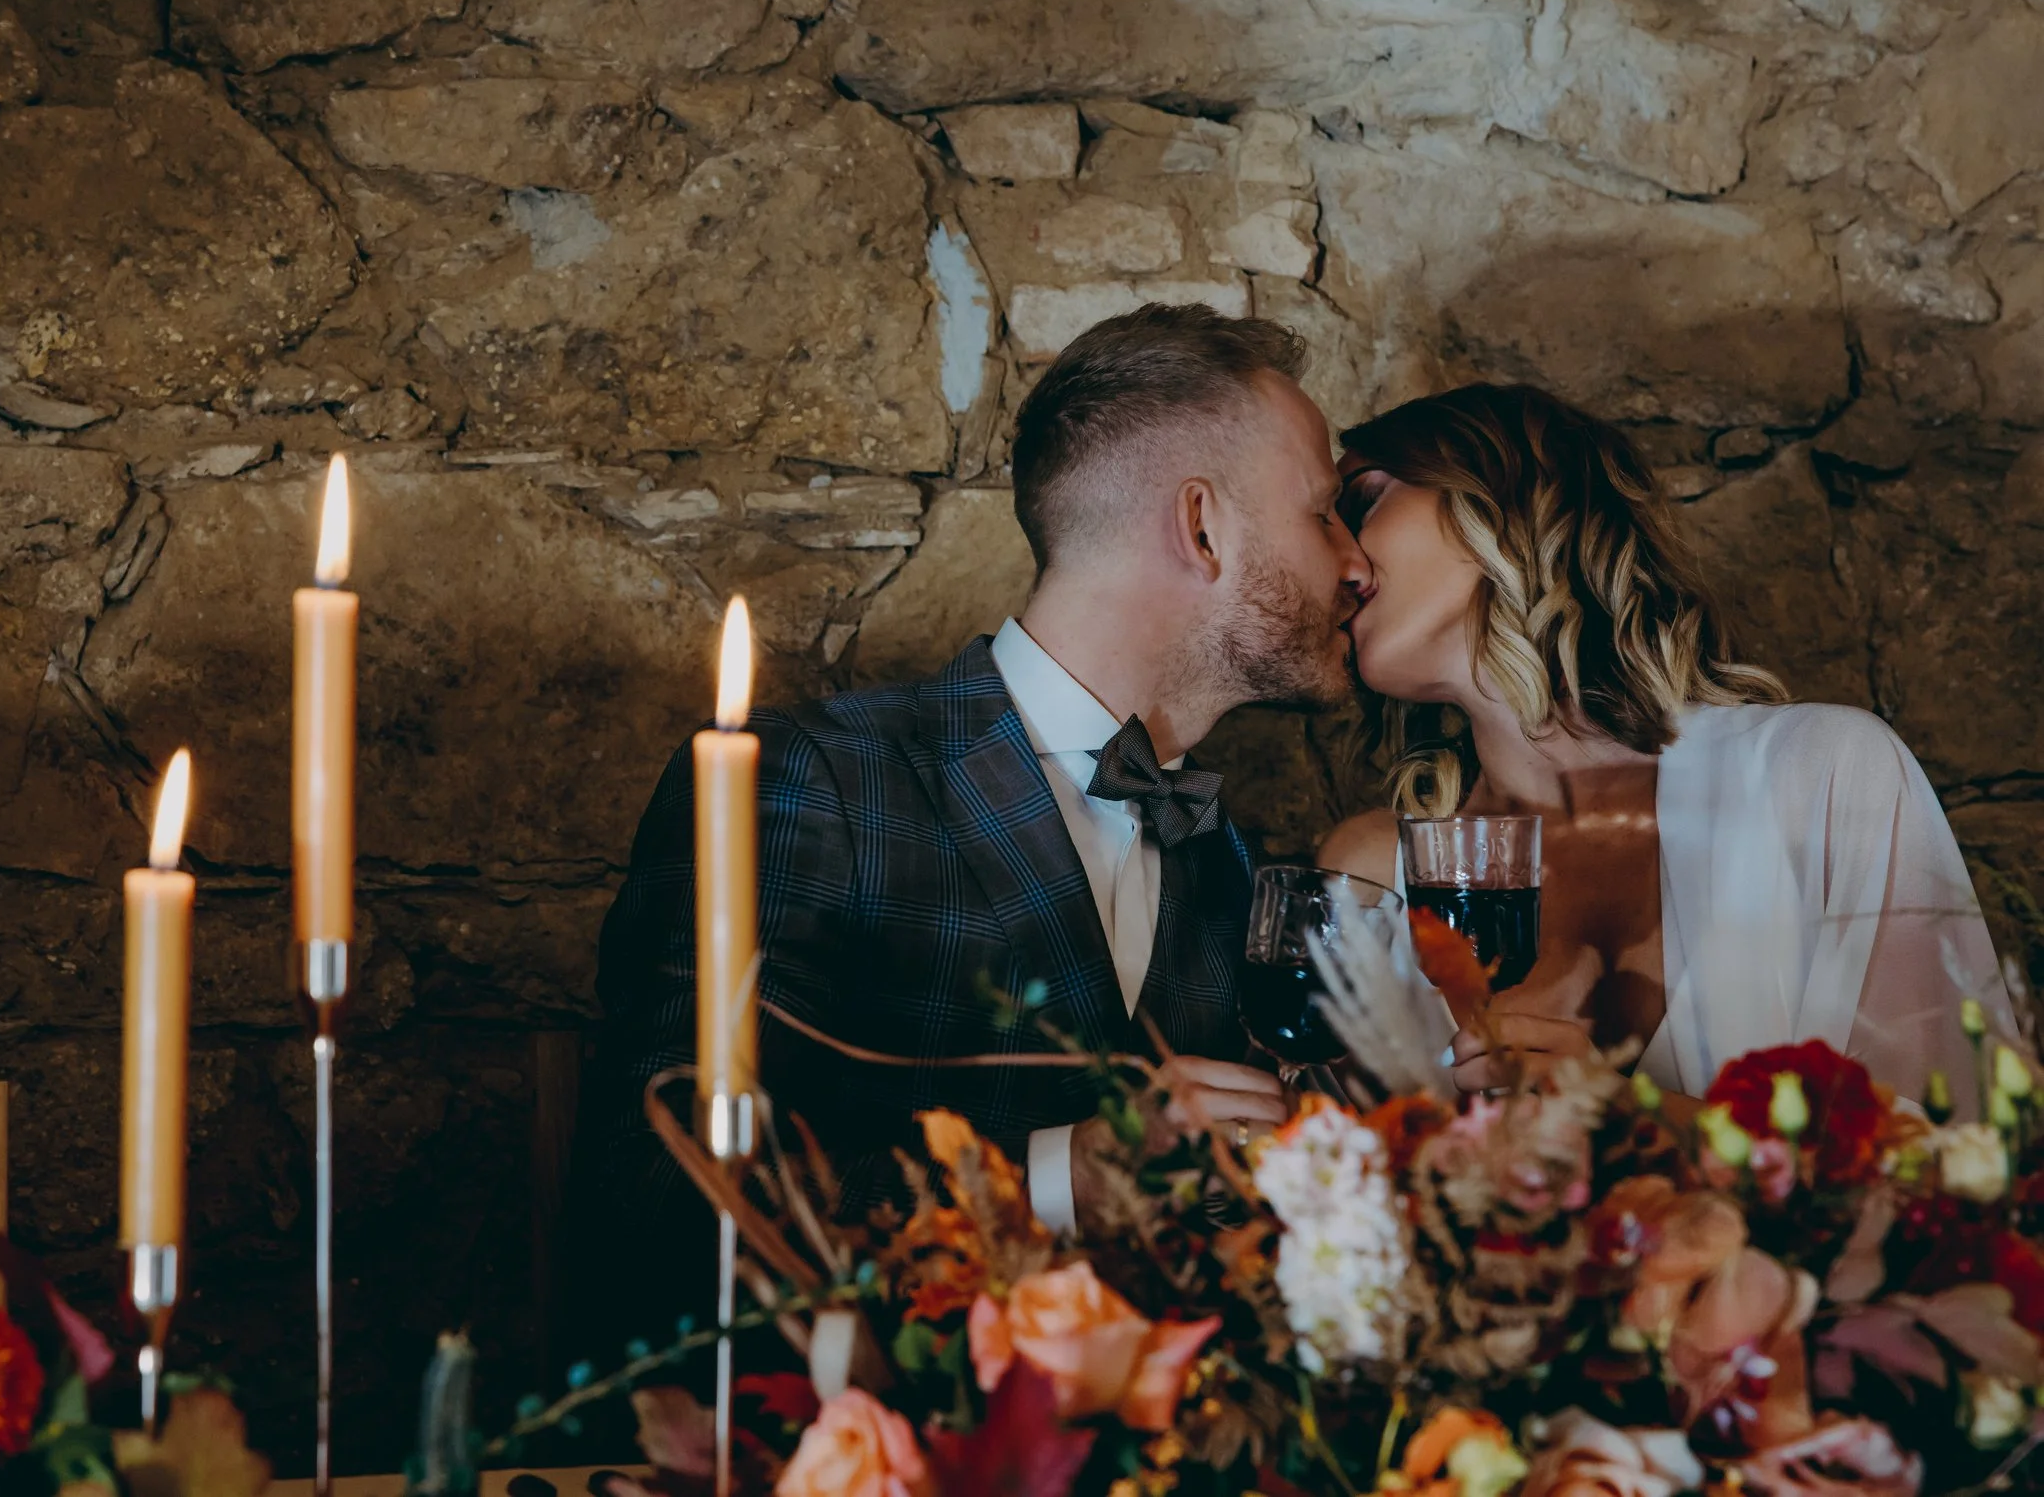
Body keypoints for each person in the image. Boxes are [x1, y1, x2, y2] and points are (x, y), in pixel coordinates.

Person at [583, 307, 1374, 1309]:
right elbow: (650, 1198)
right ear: (1202, 526)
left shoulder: (1226, 860)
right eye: (1323, 512)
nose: (1356, 563)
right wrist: (1059, 1176)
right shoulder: (814, 782)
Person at [1317, 382, 2013, 1107]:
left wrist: (1631, 1118)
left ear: (1502, 493)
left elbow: (1962, 1158)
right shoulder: (1372, 877)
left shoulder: (1821, 779)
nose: (1339, 557)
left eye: (1362, 501)